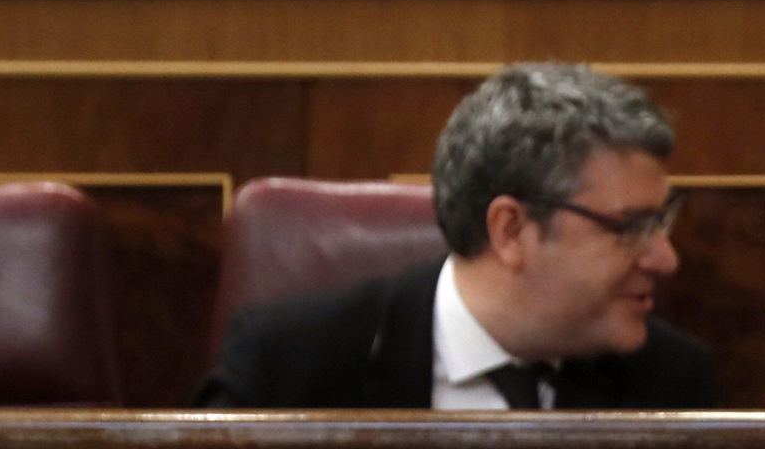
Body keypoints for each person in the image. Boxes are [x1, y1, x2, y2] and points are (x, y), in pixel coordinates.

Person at [197, 63, 714, 411]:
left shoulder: (671, 382)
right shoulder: (286, 365)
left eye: (661, 221)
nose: (666, 258)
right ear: (511, 230)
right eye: (630, 228)